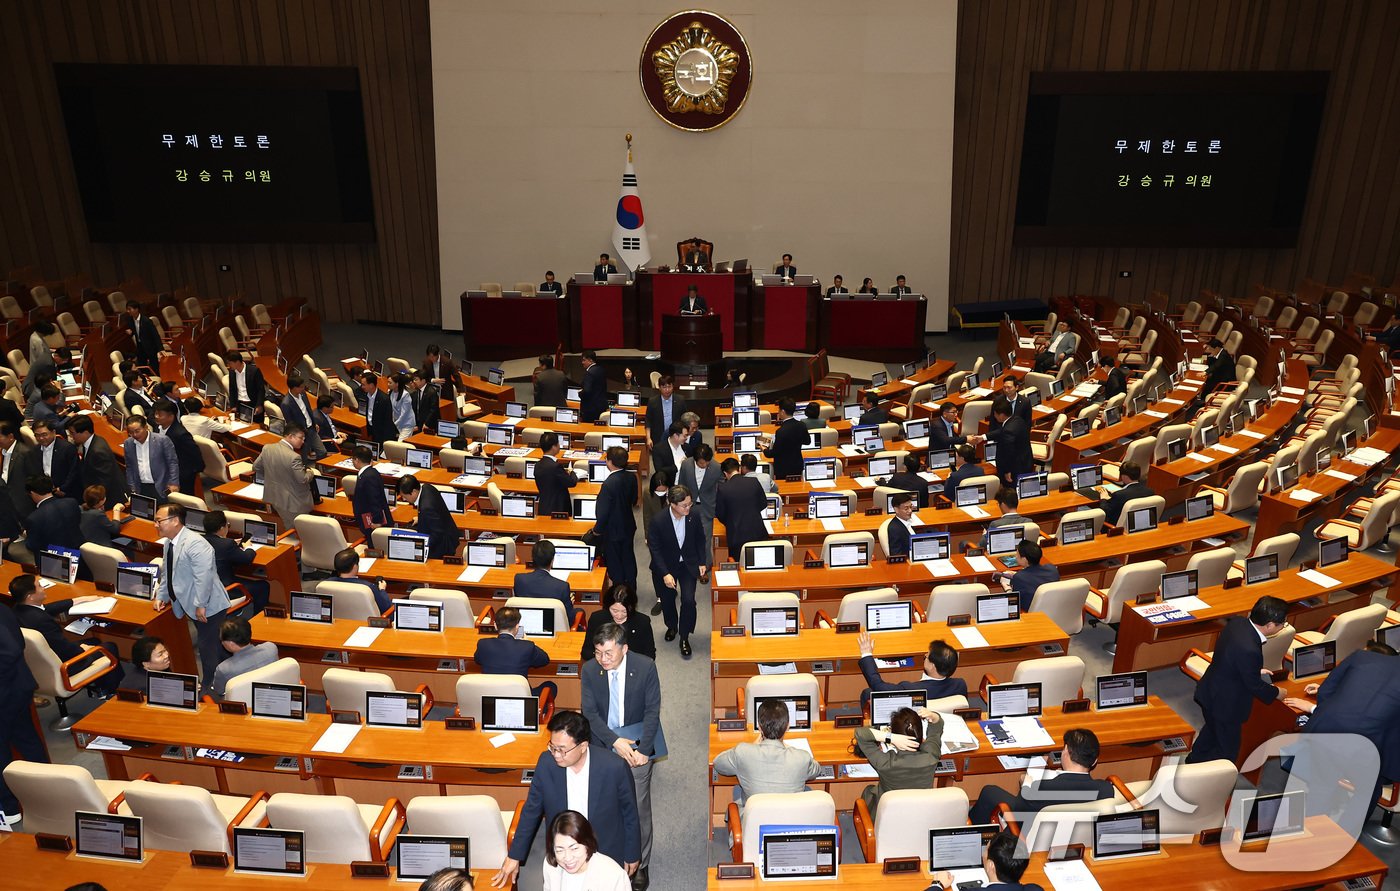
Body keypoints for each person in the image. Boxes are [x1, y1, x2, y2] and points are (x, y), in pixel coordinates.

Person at [493, 710, 640, 889]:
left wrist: (632, 853)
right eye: (552, 747)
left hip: (603, 849)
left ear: (583, 746)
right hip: (563, 853)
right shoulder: (546, 763)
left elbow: (630, 813)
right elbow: (532, 809)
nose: (556, 755)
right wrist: (514, 855)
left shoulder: (614, 767)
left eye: (562, 750)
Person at [581, 624, 663, 890]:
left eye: (608, 653)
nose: (602, 659)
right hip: (603, 745)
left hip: (637, 746)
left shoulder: (645, 667)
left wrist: (644, 750)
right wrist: (614, 741)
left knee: (637, 808)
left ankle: (641, 862)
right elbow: (589, 713)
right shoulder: (590, 670)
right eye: (598, 653)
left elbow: (652, 711)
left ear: (624, 649)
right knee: (604, 805)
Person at [1283, 641, 1400, 809]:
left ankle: (1314, 821)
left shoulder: (1360, 656)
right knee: (1368, 793)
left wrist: (1321, 706)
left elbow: (1326, 692)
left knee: (1322, 785)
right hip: (1371, 747)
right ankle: (1350, 825)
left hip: (1330, 734)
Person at [1187, 595, 1286, 765]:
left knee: (1212, 730)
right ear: (1269, 625)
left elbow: (1231, 655)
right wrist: (1277, 692)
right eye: (1282, 623)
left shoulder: (1238, 623)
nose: (1284, 626)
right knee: (1228, 751)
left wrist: (1252, 670)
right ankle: (1214, 778)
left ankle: (1194, 760)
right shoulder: (1249, 649)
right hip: (1225, 705)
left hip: (1210, 689)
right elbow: (1254, 685)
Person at [153, 503, 231, 695]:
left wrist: (201, 605)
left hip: (209, 605)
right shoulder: (169, 543)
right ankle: (228, 674)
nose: (155, 525)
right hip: (191, 604)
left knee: (207, 648)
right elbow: (168, 572)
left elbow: (203, 578)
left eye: (159, 521)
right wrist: (162, 595)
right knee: (214, 642)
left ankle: (210, 687)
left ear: (175, 521)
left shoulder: (196, 544)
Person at [7, 572, 122, 695]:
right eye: (39, 586)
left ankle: (101, 685)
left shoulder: (17, 610)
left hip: (37, 664)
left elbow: (45, 609)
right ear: (30, 597)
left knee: (95, 641)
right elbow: (63, 648)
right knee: (109, 647)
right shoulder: (42, 622)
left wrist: (79, 600)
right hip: (64, 665)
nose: (43, 587)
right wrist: (82, 649)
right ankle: (112, 691)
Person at [713, 698, 822, 811]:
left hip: (754, 818)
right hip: (790, 818)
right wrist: (788, 748)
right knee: (807, 790)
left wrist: (754, 745)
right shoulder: (802, 758)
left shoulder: (743, 752)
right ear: (787, 726)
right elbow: (817, 769)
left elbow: (718, 763)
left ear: (759, 727)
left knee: (738, 790)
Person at [0, 592, 46, 825]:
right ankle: (48, 788)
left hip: (6, 692)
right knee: (27, 740)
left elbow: (10, 651)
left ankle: (8, 807)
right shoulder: (3, 608)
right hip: (17, 687)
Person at [647, 484, 708, 658]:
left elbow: (700, 539)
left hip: (688, 564)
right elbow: (655, 549)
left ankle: (684, 636)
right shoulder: (658, 521)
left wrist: (702, 561)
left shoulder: (693, 515)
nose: (688, 508)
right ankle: (672, 626)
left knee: (688, 600)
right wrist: (665, 573)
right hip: (666, 567)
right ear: (672, 504)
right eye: (684, 505)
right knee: (667, 600)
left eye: (690, 504)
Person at [853, 705, 943, 814]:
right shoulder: (932, 755)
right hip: (921, 814)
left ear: (893, 732)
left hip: (887, 816)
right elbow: (936, 728)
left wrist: (890, 737)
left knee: (869, 790)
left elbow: (860, 733)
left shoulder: (886, 762)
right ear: (920, 732)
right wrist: (933, 715)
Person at [858, 632, 968, 706]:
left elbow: (878, 686)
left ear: (932, 666)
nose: (925, 655)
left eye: (927, 656)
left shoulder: (911, 689)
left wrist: (866, 654)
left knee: (868, 693)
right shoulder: (960, 685)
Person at [474, 605, 553, 698]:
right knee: (551, 686)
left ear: (495, 625)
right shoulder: (527, 646)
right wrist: (529, 642)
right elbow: (545, 660)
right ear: (517, 627)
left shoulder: (483, 644)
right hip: (520, 700)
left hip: (490, 698)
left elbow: (477, 660)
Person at [543, 810, 631, 891]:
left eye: (574, 848)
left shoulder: (614, 876)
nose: (568, 858)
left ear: (587, 843)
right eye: (559, 850)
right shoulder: (551, 867)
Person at [933, 828, 1045, 891]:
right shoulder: (1035, 889)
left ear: (991, 865)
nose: (983, 854)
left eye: (985, 850)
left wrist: (937, 884)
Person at [203, 510, 269, 614]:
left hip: (205, 588)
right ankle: (257, 618)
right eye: (227, 525)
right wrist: (248, 547)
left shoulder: (199, 541)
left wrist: (230, 543)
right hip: (226, 589)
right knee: (263, 586)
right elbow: (247, 558)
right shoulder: (226, 545)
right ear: (222, 528)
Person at [253, 423, 316, 530]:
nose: (303, 441)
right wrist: (311, 472)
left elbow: (256, 467)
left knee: (286, 525)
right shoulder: (294, 457)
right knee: (296, 529)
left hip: (274, 496)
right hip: (292, 502)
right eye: (301, 438)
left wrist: (272, 476)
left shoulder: (267, 448)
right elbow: (303, 479)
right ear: (290, 436)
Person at [594, 446, 638, 592]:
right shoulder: (631, 477)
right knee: (628, 557)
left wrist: (597, 531)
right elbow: (633, 500)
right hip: (628, 524)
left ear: (610, 462)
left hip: (612, 530)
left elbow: (603, 512)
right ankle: (631, 589)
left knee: (614, 562)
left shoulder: (608, 484)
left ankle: (619, 592)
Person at [209, 615, 278, 699]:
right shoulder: (271, 648)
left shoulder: (224, 669)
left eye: (222, 640)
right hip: (273, 696)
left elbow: (219, 691)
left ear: (231, 644)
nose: (221, 643)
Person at [581, 585, 655, 662]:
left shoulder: (642, 622)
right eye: (615, 611)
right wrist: (604, 658)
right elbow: (586, 652)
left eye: (624, 611)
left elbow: (650, 655)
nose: (619, 616)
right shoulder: (597, 619)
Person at [68, 414, 126, 508]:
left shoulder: (98, 452)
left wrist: (92, 503)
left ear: (85, 432)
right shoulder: (93, 441)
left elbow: (104, 483)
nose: (71, 436)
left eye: (72, 433)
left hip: (106, 500)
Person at [514, 539, 579, 624]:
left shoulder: (519, 579)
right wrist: (570, 603)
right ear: (552, 560)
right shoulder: (562, 587)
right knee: (579, 611)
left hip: (527, 624)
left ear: (532, 558)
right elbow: (569, 620)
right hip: (553, 627)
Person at [714, 457, 767, 561]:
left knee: (738, 565)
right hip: (757, 531)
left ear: (725, 473)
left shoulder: (723, 488)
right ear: (739, 469)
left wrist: (730, 521)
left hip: (736, 535)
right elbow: (763, 503)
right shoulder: (754, 481)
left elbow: (720, 514)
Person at [397, 475, 459, 559]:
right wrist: (421, 518)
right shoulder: (426, 487)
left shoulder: (427, 507)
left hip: (443, 544)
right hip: (445, 529)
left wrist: (419, 545)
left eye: (404, 496)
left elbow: (437, 534)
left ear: (414, 491)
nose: (404, 499)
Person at [151, 399, 204, 495]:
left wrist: (192, 472)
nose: (156, 416)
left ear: (171, 416)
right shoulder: (157, 427)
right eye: (155, 413)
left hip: (181, 473)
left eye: (160, 414)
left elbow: (195, 454)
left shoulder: (180, 434)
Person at [23, 474, 84, 559]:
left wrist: (27, 535)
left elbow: (32, 545)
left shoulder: (34, 518)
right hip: (79, 555)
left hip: (54, 561)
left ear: (32, 493)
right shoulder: (72, 502)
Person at [123, 414, 179, 503]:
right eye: (131, 432)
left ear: (146, 427)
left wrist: (174, 483)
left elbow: (172, 463)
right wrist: (132, 487)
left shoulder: (162, 440)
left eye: (137, 431)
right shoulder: (128, 443)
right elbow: (129, 467)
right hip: (140, 487)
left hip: (161, 486)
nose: (135, 435)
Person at [676, 443, 718, 542]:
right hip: (689, 506)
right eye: (702, 463)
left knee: (705, 539)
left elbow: (721, 487)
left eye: (707, 462)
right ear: (695, 460)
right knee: (688, 537)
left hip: (707, 508)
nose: (705, 465)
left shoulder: (717, 467)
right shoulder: (686, 465)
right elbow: (681, 485)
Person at [281, 375, 328, 460]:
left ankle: (319, 466)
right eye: (301, 387)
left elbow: (308, 410)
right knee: (303, 457)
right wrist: (299, 434)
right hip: (301, 433)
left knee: (322, 452)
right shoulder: (286, 403)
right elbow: (290, 423)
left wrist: (314, 423)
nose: (303, 389)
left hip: (311, 429)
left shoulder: (303, 394)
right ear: (294, 388)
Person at [349, 444, 392, 539]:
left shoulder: (369, 477)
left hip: (373, 521)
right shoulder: (368, 473)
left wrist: (377, 521)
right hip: (367, 517)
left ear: (356, 460)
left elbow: (375, 500)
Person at [986, 397, 1032, 485]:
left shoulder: (1007, 431)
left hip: (1014, 470)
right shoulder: (1018, 420)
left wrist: (1007, 471)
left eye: (995, 414)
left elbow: (1008, 453)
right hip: (1025, 462)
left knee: (1011, 489)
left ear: (1001, 415)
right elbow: (1001, 431)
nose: (994, 416)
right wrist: (984, 437)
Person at [331, 547, 391, 613]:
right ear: (355, 566)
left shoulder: (325, 583)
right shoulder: (368, 587)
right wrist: (382, 590)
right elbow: (386, 607)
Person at [29, 417, 78, 498]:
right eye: (37, 435)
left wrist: (63, 489)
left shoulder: (67, 448)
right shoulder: (35, 450)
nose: (41, 438)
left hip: (65, 492)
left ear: (53, 432)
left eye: (44, 435)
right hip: (45, 493)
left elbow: (74, 472)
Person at [535, 432, 579, 517]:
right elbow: (571, 482)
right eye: (558, 443)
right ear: (553, 447)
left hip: (543, 508)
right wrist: (572, 472)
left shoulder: (538, 465)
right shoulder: (555, 466)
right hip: (558, 510)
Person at [762, 398, 806, 480]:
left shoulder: (781, 431)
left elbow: (774, 453)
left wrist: (764, 449)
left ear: (782, 411)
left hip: (783, 469)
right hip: (797, 465)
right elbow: (807, 441)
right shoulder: (802, 425)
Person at [1102, 460, 1153, 525]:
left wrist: (1103, 499)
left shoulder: (1119, 495)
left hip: (1115, 527)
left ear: (1124, 476)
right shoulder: (1150, 492)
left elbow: (1105, 512)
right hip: (1140, 524)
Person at [80, 485, 129, 550]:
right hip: (102, 549)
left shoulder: (80, 508)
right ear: (101, 501)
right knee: (129, 550)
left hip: (86, 546)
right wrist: (116, 510)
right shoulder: (97, 514)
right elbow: (116, 529)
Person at [644, 377, 685, 451]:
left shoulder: (680, 400)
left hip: (676, 436)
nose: (667, 390)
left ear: (673, 387)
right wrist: (648, 438)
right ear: (659, 388)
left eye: (669, 386)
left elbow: (684, 419)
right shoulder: (652, 401)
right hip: (658, 437)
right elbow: (648, 421)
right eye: (664, 387)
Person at [224, 352, 266, 420]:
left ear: (237, 362)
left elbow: (261, 390)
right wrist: (233, 405)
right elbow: (232, 390)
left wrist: (259, 405)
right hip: (239, 405)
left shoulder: (254, 371)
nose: (228, 365)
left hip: (253, 404)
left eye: (230, 363)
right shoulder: (232, 372)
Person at [359, 371, 398, 444]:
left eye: (364, 385)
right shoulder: (365, 395)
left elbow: (388, 420)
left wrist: (386, 439)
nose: (362, 387)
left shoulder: (384, 399)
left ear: (371, 385)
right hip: (372, 430)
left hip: (382, 434)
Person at [123, 303, 164, 370]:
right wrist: (131, 332)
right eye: (127, 309)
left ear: (136, 309)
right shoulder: (130, 320)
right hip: (140, 347)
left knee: (155, 367)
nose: (128, 311)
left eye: (129, 309)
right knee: (143, 367)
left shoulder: (146, 321)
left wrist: (160, 349)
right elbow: (136, 331)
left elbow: (155, 335)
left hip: (150, 347)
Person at [881, 492, 919, 557]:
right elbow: (896, 554)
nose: (910, 511)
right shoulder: (894, 529)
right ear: (896, 509)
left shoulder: (908, 521)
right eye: (906, 509)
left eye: (911, 507)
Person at [580, 351, 609, 422]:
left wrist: (580, 393)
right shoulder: (601, 370)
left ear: (590, 360)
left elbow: (587, 391)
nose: (582, 362)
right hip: (602, 407)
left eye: (584, 360)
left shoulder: (589, 373)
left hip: (590, 410)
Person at [388, 372, 417, 440]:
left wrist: (394, 424)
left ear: (397, 384)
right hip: (397, 423)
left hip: (407, 424)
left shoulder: (405, 395)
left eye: (390, 383)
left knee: (400, 444)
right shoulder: (391, 392)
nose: (388, 384)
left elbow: (404, 414)